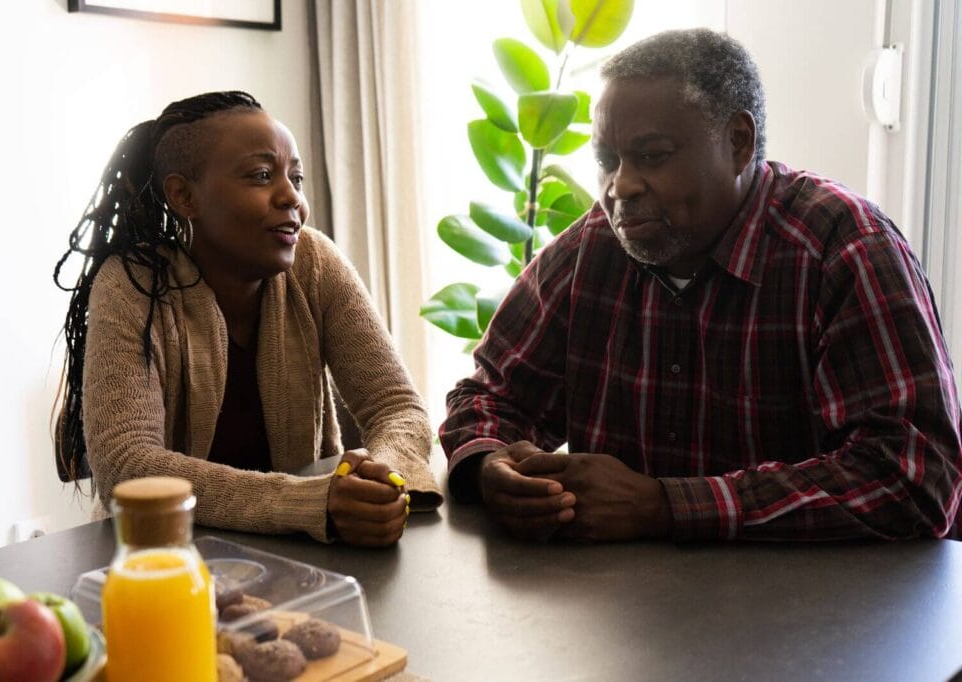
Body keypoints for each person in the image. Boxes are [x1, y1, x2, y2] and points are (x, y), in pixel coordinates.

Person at [440, 29, 962, 542]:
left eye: (652, 156)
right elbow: (490, 394)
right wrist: (492, 464)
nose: (619, 185)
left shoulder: (843, 249)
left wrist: (667, 506)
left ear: (738, 142)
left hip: (820, 616)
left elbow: (915, 478)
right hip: (626, 610)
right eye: (606, 160)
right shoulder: (592, 247)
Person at [54, 91, 441, 547]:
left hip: (309, 558)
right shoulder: (132, 284)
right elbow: (130, 465)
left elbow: (397, 407)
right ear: (184, 195)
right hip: (162, 558)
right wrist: (308, 503)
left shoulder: (315, 263)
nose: (292, 197)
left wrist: (384, 481)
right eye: (261, 176)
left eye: (295, 177)